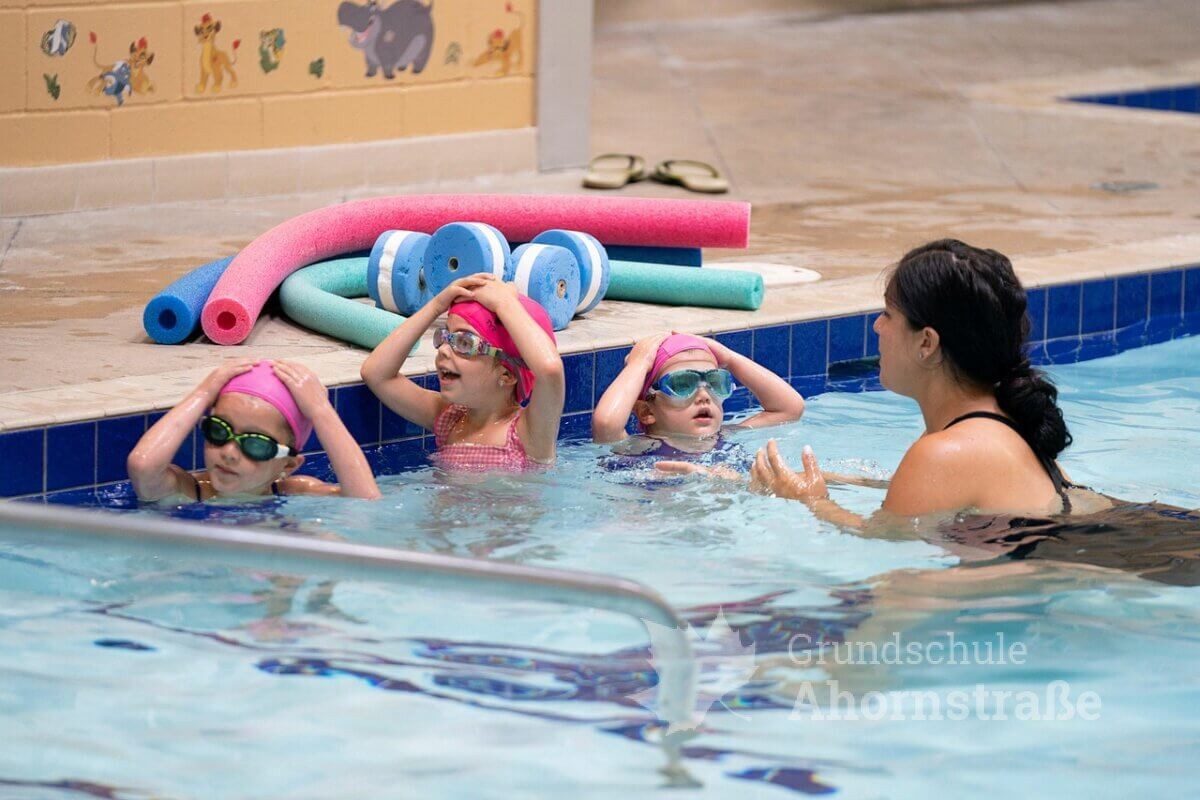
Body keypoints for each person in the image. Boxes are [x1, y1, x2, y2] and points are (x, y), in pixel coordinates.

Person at [750, 239, 1111, 525]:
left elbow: (882, 542)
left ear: (927, 342)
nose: (877, 326)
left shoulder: (944, 452)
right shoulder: (1002, 419)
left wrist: (812, 501)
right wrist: (820, 479)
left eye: (888, 314)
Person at [361, 274, 564, 471]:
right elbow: (376, 374)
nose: (443, 350)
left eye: (465, 343)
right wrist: (436, 306)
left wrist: (505, 304)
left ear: (507, 375)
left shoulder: (528, 434)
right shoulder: (449, 419)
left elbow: (550, 369)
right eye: (445, 337)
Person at [127, 359, 380, 501]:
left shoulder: (297, 491)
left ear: (288, 464)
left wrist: (321, 411)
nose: (229, 453)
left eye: (255, 444)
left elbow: (365, 503)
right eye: (219, 431)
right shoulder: (189, 490)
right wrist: (202, 394)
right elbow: (142, 466)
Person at [592, 332, 805, 467]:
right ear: (647, 412)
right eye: (683, 384)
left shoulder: (726, 434)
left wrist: (730, 359)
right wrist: (639, 363)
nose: (704, 396)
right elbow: (606, 423)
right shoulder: (639, 448)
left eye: (716, 382)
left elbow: (790, 409)